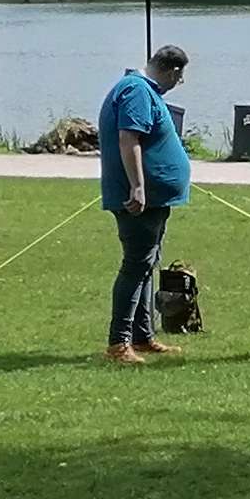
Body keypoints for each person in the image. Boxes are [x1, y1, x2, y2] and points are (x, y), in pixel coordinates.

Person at [98, 42, 192, 364]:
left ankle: (142, 336)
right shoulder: (136, 90)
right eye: (180, 76)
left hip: (155, 200)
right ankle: (119, 343)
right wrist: (138, 187)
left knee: (147, 264)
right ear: (173, 70)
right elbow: (129, 139)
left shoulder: (144, 90)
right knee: (136, 265)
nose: (179, 82)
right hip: (138, 200)